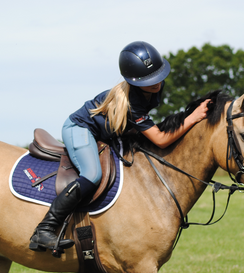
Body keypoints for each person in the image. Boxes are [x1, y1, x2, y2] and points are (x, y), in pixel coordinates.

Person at [29, 41, 210, 252]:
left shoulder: (153, 88)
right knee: (92, 174)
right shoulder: (132, 102)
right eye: (150, 81)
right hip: (79, 128)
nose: (157, 84)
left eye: (159, 77)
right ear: (133, 82)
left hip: (108, 134)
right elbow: (161, 139)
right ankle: (44, 229)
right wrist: (193, 117)